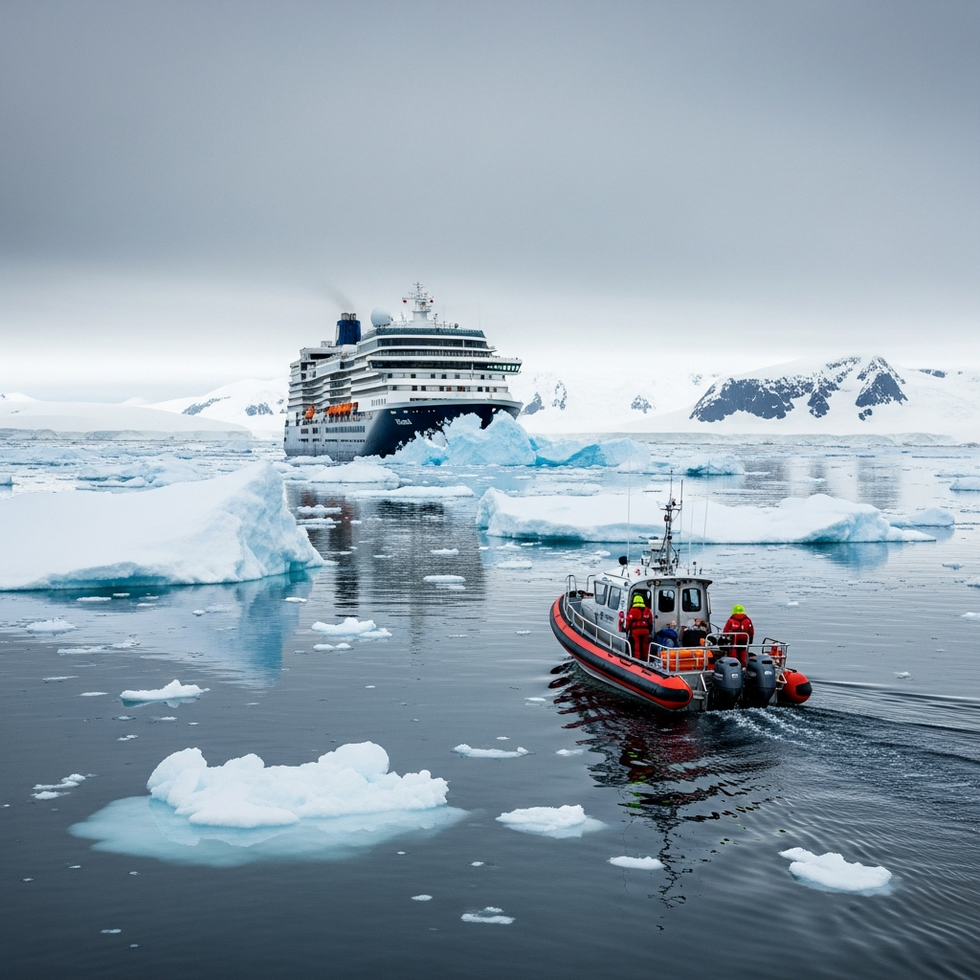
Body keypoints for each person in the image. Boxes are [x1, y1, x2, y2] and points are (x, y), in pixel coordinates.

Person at [625, 594, 653, 661]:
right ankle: (646, 659)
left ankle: (637, 659)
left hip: (636, 631)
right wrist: (649, 630)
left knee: (636, 645)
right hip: (646, 631)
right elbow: (650, 622)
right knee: (645, 645)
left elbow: (628, 621)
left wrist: (626, 629)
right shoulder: (647, 610)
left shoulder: (632, 610)